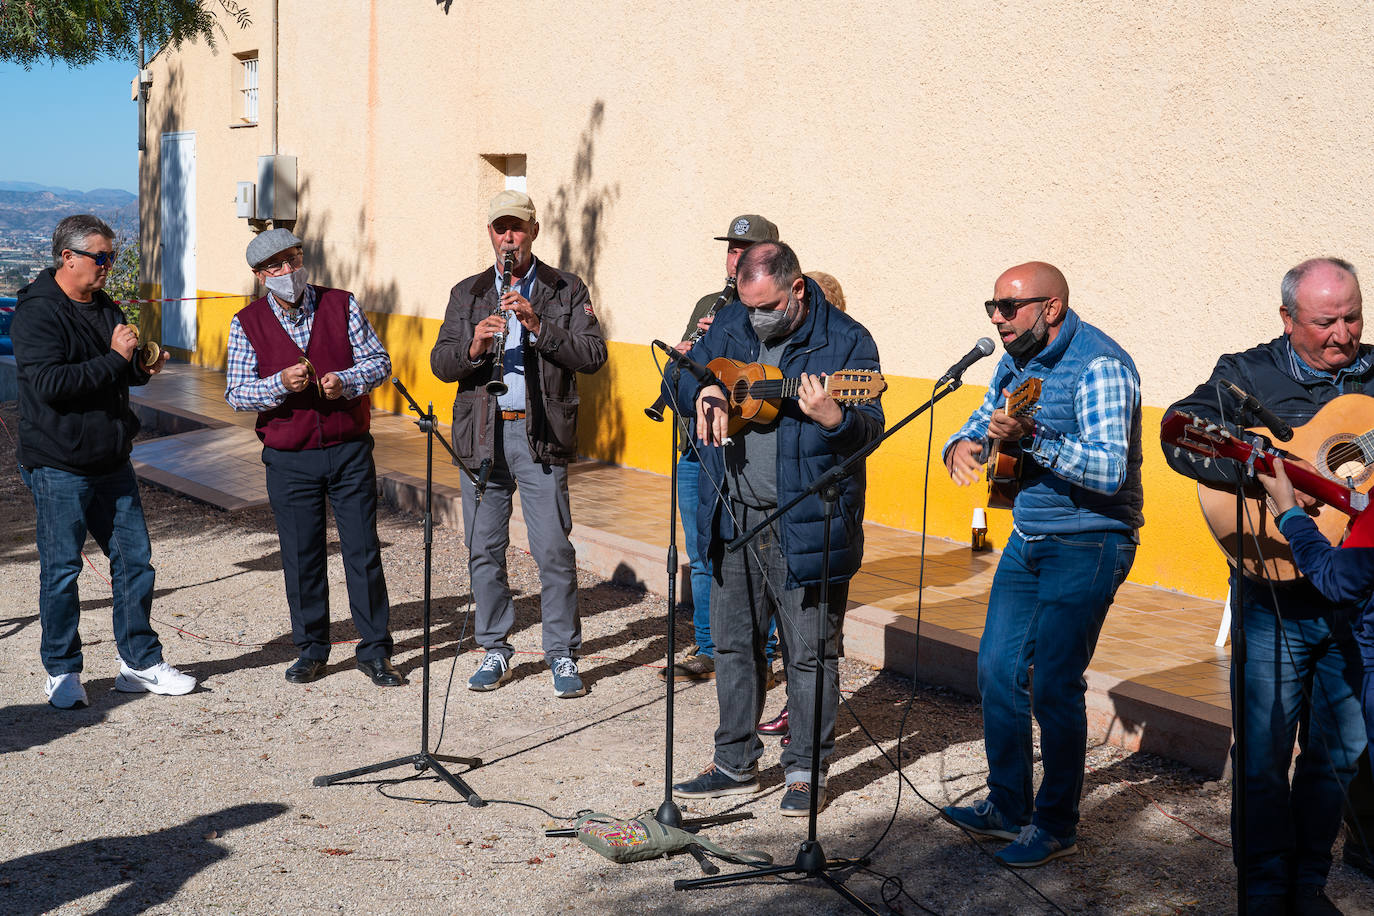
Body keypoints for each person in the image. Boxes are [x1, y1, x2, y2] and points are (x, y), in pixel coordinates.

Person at [1163, 257, 1370, 914]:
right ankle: (1263, 890)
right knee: (1262, 754)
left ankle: (1308, 884)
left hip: (1353, 602)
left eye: (1354, 316)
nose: (1344, 333)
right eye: (1326, 321)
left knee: (1334, 755)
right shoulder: (1246, 374)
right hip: (1273, 596)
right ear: (1287, 319)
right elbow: (1179, 436)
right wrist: (1267, 473)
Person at [669, 240, 883, 815]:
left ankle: (805, 772)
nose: (755, 319)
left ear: (796, 289)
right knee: (736, 644)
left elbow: (871, 428)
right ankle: (734, 762)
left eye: (766, 307)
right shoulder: (734, 318)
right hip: (732, 509)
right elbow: (681, 372)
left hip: (806, 519)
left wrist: (836, 418)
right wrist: (705, 389)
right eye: (748, 306)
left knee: (811, 653)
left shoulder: (847, 341)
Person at [940, 261, 1143, 867]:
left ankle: (1056, 824)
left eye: (1010, 307)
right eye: (992, 307)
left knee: (1054, 683)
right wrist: (964, 443)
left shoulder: (1102, 365)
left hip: (1090, 540)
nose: (998, 318)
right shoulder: (1015, 360)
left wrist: (1035, 440)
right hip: (1030, 534)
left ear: (1050, 308)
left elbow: (1109, 471)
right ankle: (1008, 805)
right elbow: (984, 421)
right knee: (997, 669)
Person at [13, 214, 196, 708]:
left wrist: (140, 367)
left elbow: (119, 375)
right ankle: (62, 670)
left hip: (111, 459)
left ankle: (139, 662)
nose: (108, 266)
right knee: (61, 570)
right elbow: (50, 385)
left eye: (112, 256)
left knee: (135, 562)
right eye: (102, 257)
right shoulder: (36, 313)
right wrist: (116, 360)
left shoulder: (104, 305)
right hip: (57, 464)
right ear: (67, 258)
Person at [430, 190, 607, 699]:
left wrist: (537, 325)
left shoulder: (564, 288)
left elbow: (592, 354)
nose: (509, 238)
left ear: (533, 231)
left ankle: (562, 654)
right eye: (500, 229)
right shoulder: (468, 292)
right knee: (483, 547)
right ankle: (494, 647)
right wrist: (474, 346)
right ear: (490, 233)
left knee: (552, 548)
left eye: (518, 228)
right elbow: (441, 365)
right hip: (481, 435)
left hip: (539, 433)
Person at [225, 228, 402, 688]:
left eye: (293, 260)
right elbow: (237, 393)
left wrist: (346, 380)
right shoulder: (246, 323)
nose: (288, 272)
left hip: (348, 448)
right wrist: (279, 384)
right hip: (289, 457)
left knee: (362, 550)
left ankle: (375, 650)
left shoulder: (341, 304)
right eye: (275, 266)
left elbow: (379, 362)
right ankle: (312, 649)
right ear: (260, 276)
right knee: (302, 554)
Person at [664, 213, 779, 684]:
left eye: (744, 250)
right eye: (731, 249)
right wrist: (688, 355)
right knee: (701, 548)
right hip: (696, 446)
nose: (735, 258)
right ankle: (710, 648)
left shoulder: (776, 310)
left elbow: (760, 379)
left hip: (742, 449)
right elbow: (687, 378)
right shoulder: (710, 303)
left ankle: (765, 652)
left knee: (759, 552)